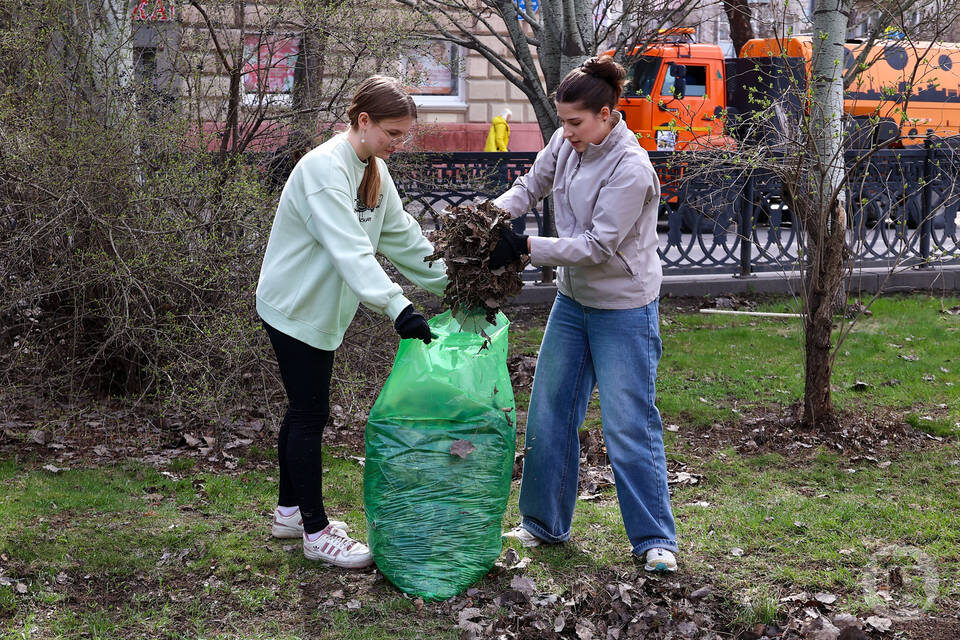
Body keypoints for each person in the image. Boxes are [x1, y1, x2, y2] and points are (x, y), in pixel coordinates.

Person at [488, 56, 678, 572]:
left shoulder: (631, 168)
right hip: (573, 304)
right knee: (550, 412)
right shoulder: (568, 143)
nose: (566, 133)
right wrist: (488, 217)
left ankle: (655, 539)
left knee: (627, 424)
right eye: (562, 122)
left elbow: (596, 246)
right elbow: (530, 187)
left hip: (623, 308)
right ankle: (543, 524)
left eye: (575, 123)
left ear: (606, 114)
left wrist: (523, 246)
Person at [256, 76, 447, 569]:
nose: (398, 144)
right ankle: (316, 533)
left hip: (322, 310)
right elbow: (350, 249)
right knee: (309, 414)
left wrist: (461, 286)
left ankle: (289, 513)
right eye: (393, 133)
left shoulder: (374, 171)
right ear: (363, 121)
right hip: (295, 307)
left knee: (304, 410)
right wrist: (397, 306)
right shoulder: (323, 169)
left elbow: (405, 240)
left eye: (404, 135)